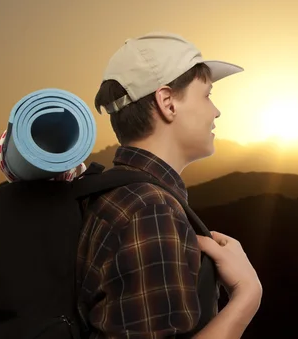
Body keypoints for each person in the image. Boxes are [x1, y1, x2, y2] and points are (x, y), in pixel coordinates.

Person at [76, 32, 262, 338]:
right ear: (167, 103)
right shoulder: (150, 210)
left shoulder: (113, 194)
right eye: (206, 95)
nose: (216, 111)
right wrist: (247, 295)